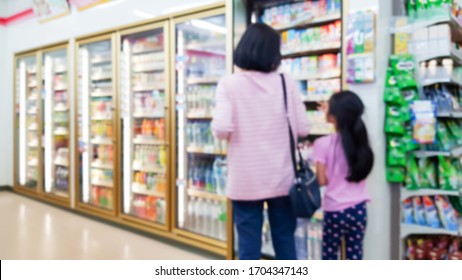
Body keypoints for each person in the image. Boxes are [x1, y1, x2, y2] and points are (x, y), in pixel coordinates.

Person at [211, 23, 310, 260]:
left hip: (246, 180)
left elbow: (222, 129)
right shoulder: (286, 82)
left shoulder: (229, 84)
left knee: (248, 247)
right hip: (282, 179)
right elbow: (303, 128)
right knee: (285, 242)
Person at [312, 91, 374, 260]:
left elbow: (322, 180)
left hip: (335, 210)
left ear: (333, 116)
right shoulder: (361, 141)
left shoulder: (322, 144)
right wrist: (333, 110)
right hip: (359, 209)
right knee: (355, 255)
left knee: (330, 255)